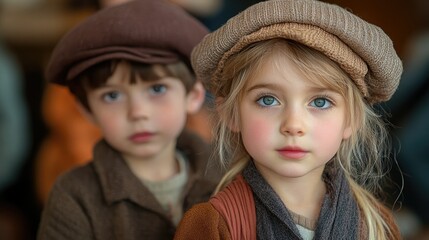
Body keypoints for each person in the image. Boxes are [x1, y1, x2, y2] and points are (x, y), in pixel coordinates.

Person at [174, 0, 403, 239]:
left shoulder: (377, 225)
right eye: (268, 100)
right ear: (231, 113)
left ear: (352, 120)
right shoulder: (211, 225)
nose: (293, 125)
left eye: (320, 102)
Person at [37, 0, 220, 239]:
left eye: (157, 89)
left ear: (193, 96)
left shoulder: (228, 179)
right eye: (112, 95)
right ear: (87, 109)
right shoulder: (73, 196)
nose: (137, 112)